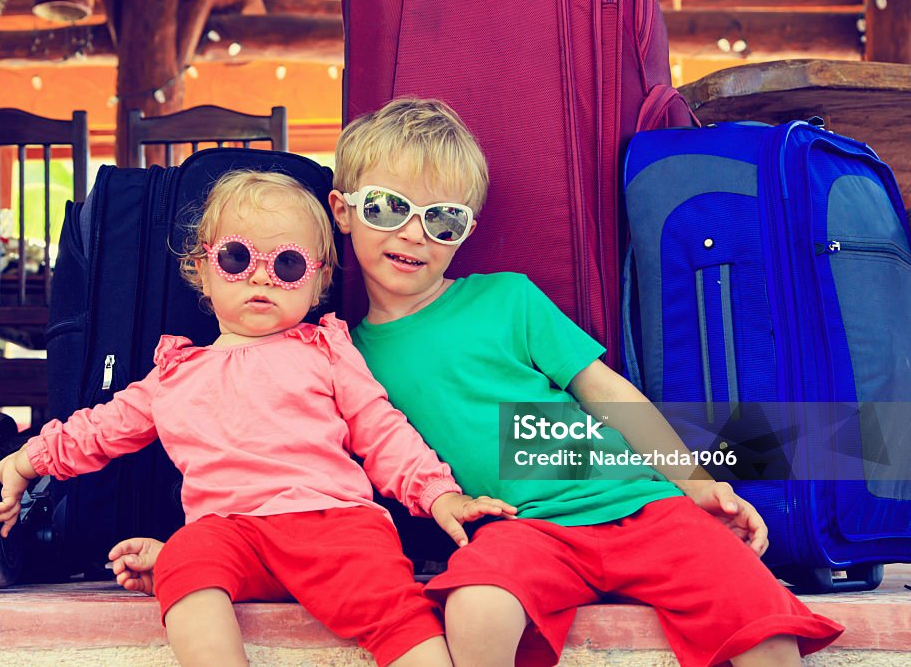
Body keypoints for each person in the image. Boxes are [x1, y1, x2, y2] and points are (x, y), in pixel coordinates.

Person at [107, 99, 845, 667]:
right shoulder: (335, 353)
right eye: (388, 207)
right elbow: (274, 461)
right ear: (342, 211)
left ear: (465, 230)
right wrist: (186, 541)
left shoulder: (507, 299)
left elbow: (607, 394)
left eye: (443, 219)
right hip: (523, 531)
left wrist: (692, 478)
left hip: (638, 503)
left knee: (760, 618)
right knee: (474, 611)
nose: (412, 234)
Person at [0, 169, 516, 667]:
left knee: (394, 606)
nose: (260, 277)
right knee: (187, 563)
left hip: (332, 525)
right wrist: (27, 462)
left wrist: (438, 493)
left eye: (287, 265)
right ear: (201, 270)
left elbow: (381, 429)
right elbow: (99, 428)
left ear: (318, 280)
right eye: (237, 259)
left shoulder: (325, 350)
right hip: (231, 533)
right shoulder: (173, 374)